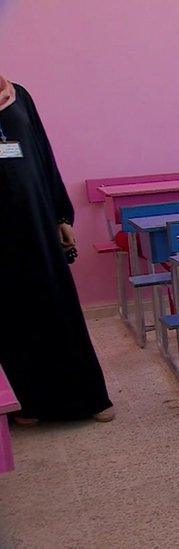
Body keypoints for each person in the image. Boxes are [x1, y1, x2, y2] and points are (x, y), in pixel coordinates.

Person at [0, 75, 114, 424]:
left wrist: (61, 214)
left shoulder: (17, 94)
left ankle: (88, 398)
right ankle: (30, 404)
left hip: (36, 223)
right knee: (13, 315)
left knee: (57, 305)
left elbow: (43, 156)